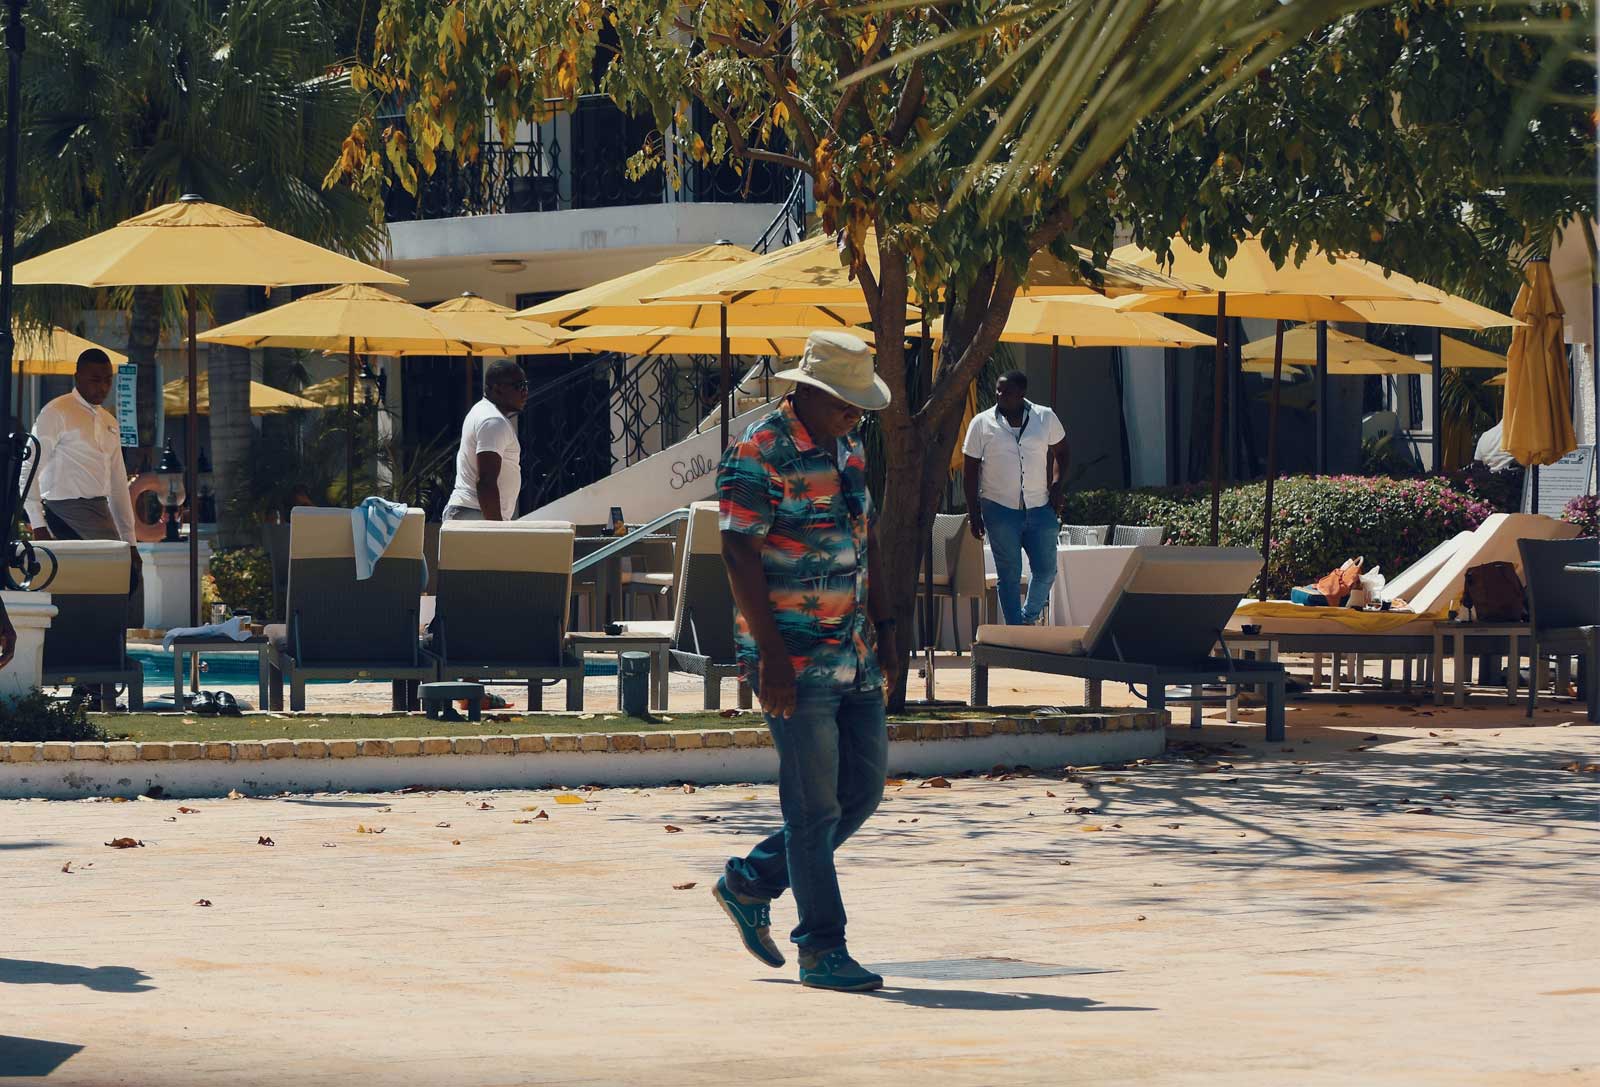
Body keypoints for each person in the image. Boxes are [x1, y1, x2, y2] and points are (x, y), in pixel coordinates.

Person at [710, 330, 899, 994]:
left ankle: (749, 881)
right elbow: (737, 553)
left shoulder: (847, 448)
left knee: (862, 791)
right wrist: (771, 659)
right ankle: (822, 946)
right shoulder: (759, 453)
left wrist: (884, 630)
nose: (855, 415)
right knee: (813, 806)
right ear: (810, 391)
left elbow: (863, 538)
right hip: (793, 658)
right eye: (846, 402)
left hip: (855, 654)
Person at [23, 349, 142, 622]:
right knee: (78, 585)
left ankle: (107, 647)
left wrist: (131, 541)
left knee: (127, 579)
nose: (102, 387)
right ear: (77, 377)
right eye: (95, 379)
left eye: (107, 380)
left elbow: (117, 485)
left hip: (100, 512)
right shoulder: (56, 411)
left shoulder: (110, 421)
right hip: (62, 510)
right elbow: (28, 469)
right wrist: (38, 524)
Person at [961, 369, 1069, 625]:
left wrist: (1056, 485)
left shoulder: (1045, 417)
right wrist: (974, 513)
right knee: (1008, 574)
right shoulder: (981, 423)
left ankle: (1027, 619)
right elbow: (970, 471)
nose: (1000, 395)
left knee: (1046, 571)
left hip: (1040, 506)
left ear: (1022, 394)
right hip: (998, 509)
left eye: (1006, 392)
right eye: (998, 390)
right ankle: (1014, 632)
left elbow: (1062, 452)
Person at [442, 358, 529, 522]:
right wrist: (496, 529)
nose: (525, 392)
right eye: (519, 386)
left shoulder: (483, 412)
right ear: (498, 389)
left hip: (473, 513)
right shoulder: (493, 421)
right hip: (476, 513)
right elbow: (486, 482)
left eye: (525, 385)